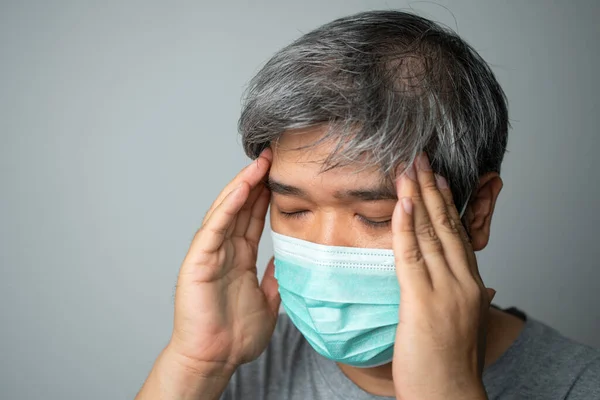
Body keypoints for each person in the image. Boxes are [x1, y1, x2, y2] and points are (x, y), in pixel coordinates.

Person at [136, 10, 600, 400]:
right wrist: (197, 363)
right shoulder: (241, 363)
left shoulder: (578, 384)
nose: (326, 251)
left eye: (376, 216)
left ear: (475, 211)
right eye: (294, 210)